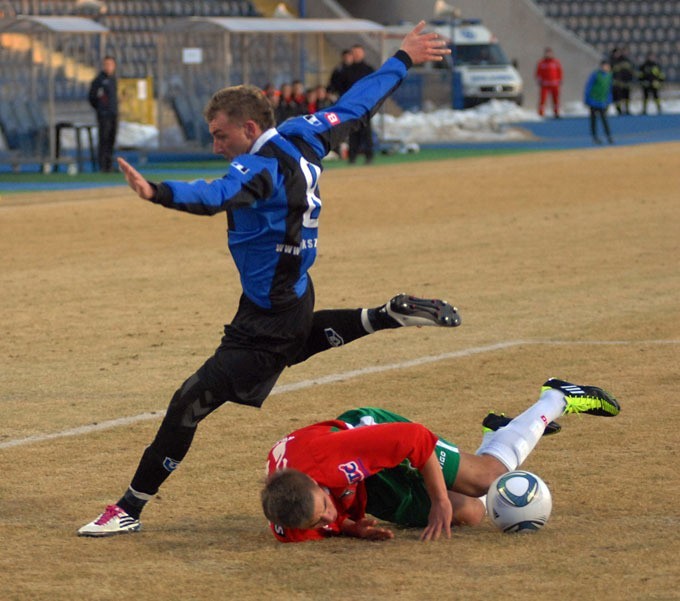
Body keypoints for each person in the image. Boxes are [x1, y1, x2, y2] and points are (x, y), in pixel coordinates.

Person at [77, 21, 454, 538]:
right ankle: (381, 316)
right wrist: (402, 59)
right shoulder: (306, 135)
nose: (217, 146)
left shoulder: (259, 169)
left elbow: (213, 195)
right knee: (290, 344)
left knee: (191, 401)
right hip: (289, 296)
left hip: (271, 311)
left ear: (250, 128)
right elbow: (359, 103)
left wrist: (157, 192)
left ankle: (127, 509)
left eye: (221, 134)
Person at [262, 378, 621, 542]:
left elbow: (415, 437)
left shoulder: (329, 460)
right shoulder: (288, 519)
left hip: (374, 439)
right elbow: (318, 516)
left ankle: (556, 396)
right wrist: (346, 526)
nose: (325, 516)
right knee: (472, 513)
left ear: (312, 482)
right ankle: (497, 433)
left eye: (324, 506)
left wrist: (437, 500)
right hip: (362, 483)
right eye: (317, 521)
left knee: (485, 478)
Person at [339, 44, 376, 164]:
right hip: (350, 106)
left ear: (363, 54)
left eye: (358, 52)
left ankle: (369, 156)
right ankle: (352, 157)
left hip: (365, 105)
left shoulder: (369, 70)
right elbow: (341, 88)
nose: (356, 55)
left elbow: (373, 87)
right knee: (352, 132)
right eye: (354, 53)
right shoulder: (346, 71)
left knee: (366, 131)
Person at [88, 55, 118, 172]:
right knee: (104, 139)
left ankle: (109, 164)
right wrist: (100, 109)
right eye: (107, 64)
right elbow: (92, 97)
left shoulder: (113, 79)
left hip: (113, 113)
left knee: (111, 139)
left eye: (111, 65)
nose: (109, 67)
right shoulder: (98, 80)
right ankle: (103, 166)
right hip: (104, 115)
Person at [584, 60, 614, 145]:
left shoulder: (609, 76)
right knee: (593, 120)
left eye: (607, 66)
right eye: (604, 66)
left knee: (604, 120)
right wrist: (587, 98)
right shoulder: (595, 74)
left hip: (602, 101)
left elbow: (609, 89)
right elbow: (589, 86)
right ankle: (595, 136)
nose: (606, 68)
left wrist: (609, 100)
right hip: (594, 100)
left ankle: (608, 136)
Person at [535, 47, 563, 118]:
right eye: (547, 53)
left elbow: (559, 72)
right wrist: (539, 80)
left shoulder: (556, 62)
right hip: (545, 84)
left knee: (556, 99)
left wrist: (560, 80)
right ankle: (541, 113)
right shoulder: (541, 63)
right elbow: (538, 73)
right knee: (543, 99)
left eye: (550, 53)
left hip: (554, 84)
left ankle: (556, 112)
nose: (548, 55)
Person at [609, 46, 634, 115]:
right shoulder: (611, 62)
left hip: (624, 82)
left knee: (626, 97)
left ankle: (626, 109)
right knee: (617, 97)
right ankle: (619, 110)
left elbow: (629, 72)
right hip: (615, 83)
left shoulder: (625, 61)